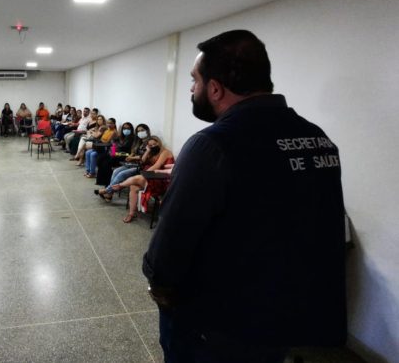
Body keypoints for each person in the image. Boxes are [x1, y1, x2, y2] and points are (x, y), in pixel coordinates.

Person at [143, 30, 347, 363]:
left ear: (215, 88)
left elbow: (171, 244)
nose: (191, 89)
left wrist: (157, 283)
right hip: (281, 322)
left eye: (195, 80)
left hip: (216, 327)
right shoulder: (317, 139)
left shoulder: (213, 145)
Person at [113, 136, 174, 223]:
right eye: (150, 145)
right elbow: (143, 161)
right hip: (152, 177)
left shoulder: (165, 152)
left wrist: (145, 174)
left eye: (154, 144)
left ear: (159, 143)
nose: (153, 146)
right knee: (133, 186)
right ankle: (131, 213)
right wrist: (148, 150)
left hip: (162, 180)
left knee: (138, 178)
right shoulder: (152, 152)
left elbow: (156, 166)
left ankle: (121, 185)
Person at [96, 123, 151, 201]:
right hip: (130, 162)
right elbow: (133, 151)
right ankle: (109, 193)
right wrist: (130, 156)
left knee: (121, 173)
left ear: (147, 131)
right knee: (115, 170)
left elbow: (145, 157)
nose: (140, 133)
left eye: (142, 130)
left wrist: (131, 157)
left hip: (139, 165)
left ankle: (107, 191)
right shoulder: (138, 141)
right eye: (138, 131)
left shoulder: (149, 142)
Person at [95, 121, 136, 186]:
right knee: (100, 159)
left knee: (106, 163)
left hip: (124, 156)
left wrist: (117, 154)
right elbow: (113, 144)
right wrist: (113, 151)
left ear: (131, 129)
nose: (126, 130)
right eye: (124, 128)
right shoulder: (120, 137)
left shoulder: (133, 139)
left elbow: (130, 153)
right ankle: (102, 181)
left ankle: (108, 183)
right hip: (115, 155)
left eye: (128, 129)